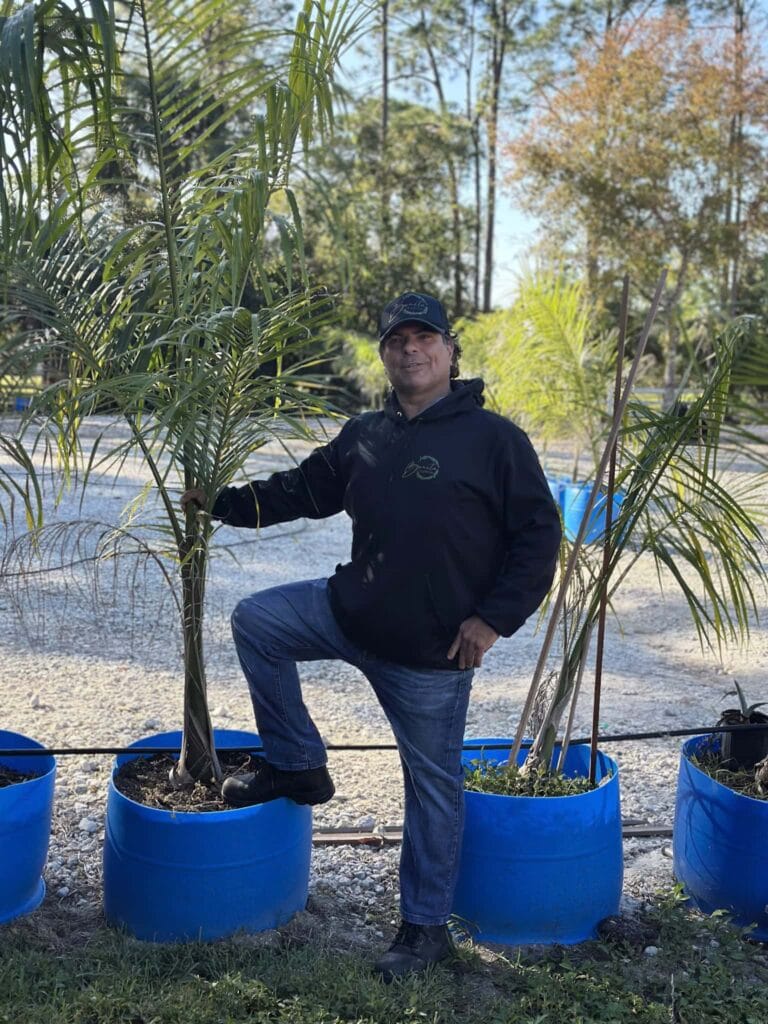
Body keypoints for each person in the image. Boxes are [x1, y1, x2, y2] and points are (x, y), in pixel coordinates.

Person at [181, 291, 562, 981]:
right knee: (258, 620)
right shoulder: (365, 433)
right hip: (350, 614)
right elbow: (303, 491)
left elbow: (539, 535)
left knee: (433, 789)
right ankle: (299, 764)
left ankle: (422, 929)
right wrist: (222, 503)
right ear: (385, 355)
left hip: (432, 654)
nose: (410, 350)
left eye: (425, 338)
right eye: (396, 341)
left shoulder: (494, 439)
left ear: (450, 351)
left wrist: (494, 619)